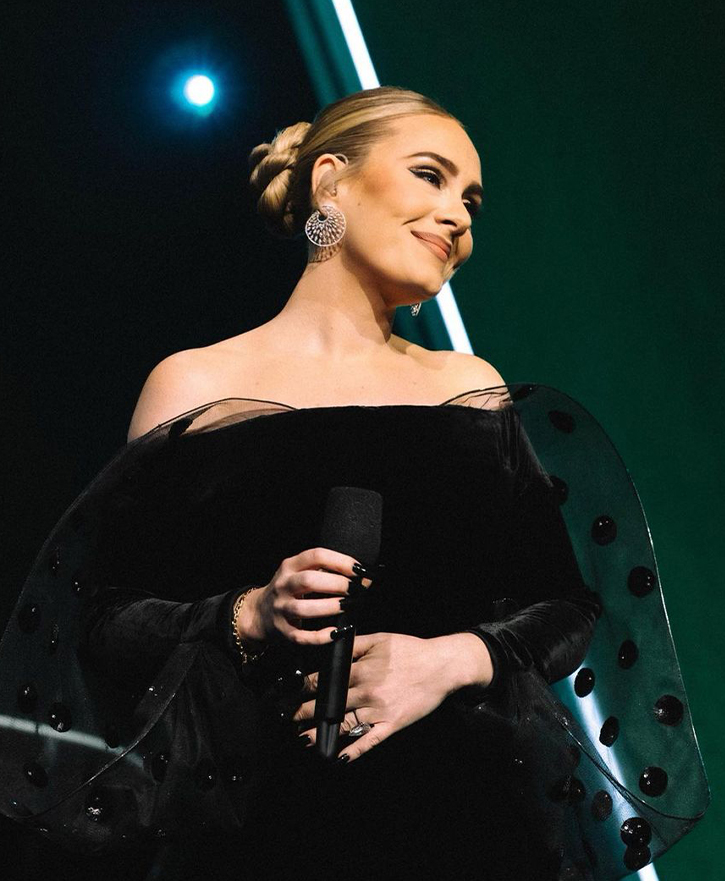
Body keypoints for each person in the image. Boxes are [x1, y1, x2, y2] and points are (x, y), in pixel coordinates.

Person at [0, 86, 708, 881]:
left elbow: (565, 603)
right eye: (430, 175)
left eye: (470, 201)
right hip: (262, 831)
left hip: (471, 824)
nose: (458, 217)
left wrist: (450, 658)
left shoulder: (468, 388)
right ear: (330, 179)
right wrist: (246, 613)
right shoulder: (196, 385)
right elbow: (103, 620)